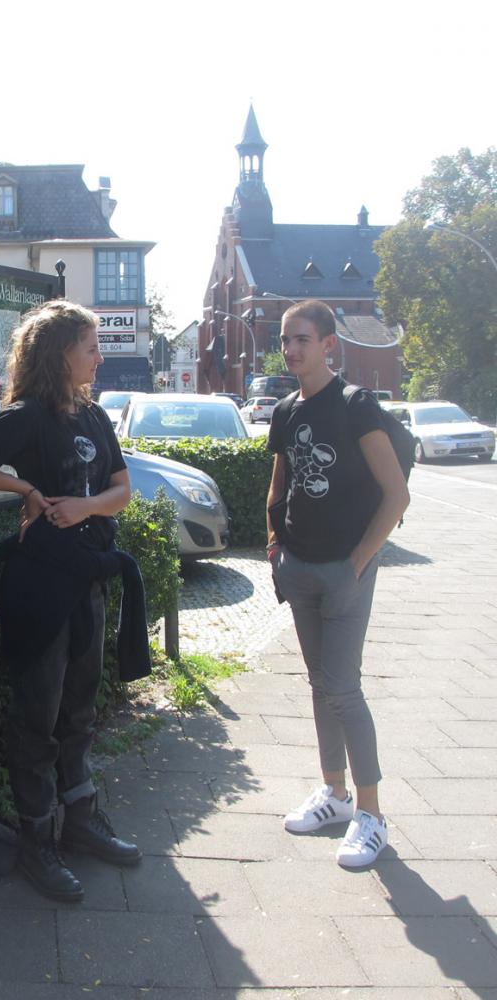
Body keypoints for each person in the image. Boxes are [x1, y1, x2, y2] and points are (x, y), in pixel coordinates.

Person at [0, 299, 145, 902]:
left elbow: (122, 487)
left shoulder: (95, 418)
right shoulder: (28, 418)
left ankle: (79, 822)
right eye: (90, 348)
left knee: (79, 709)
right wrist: (25, 487)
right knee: (38, 716)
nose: (99, 358)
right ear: (61, 355)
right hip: (40, 586)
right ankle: (37, 842)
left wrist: (85, 506)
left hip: (90, 578)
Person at [266, 299, 409, 868]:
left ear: (328, 344)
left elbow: (396, 495)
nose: (291, 350)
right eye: (284, 341)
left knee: (343, 688)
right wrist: (274, 542)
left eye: (301, 339)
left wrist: (358, 562)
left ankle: (371, 816)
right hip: (298, 566)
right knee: (319, 685)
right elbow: (280, 484)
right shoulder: (283, 410)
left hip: (344, 570)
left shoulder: (355, 405)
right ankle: (335, 794)